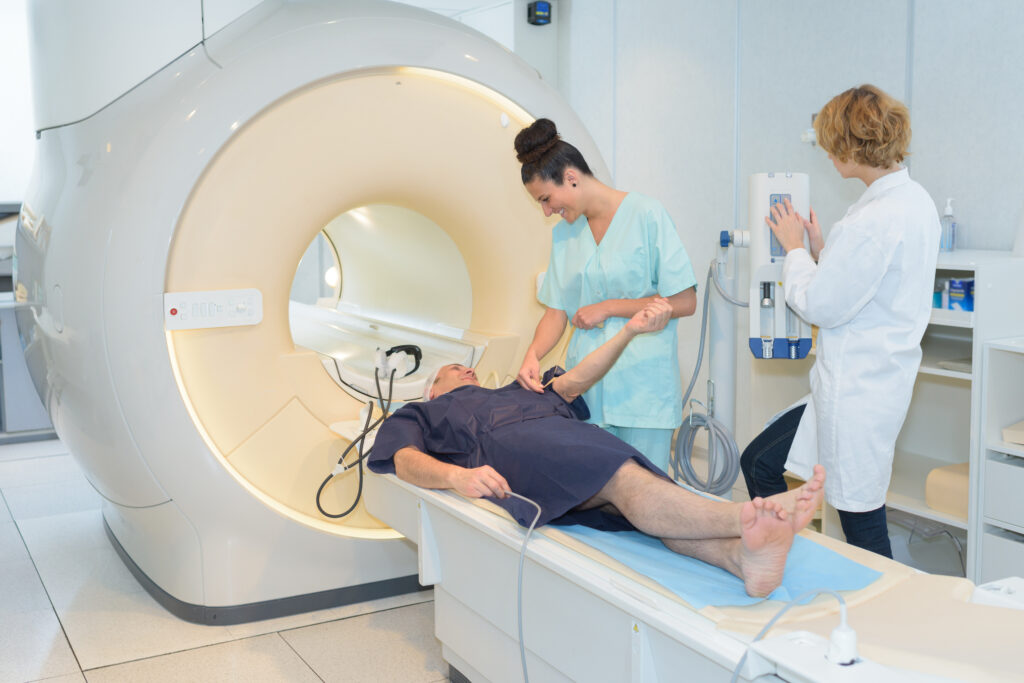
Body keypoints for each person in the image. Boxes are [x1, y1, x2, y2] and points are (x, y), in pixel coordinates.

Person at [369, 300, 826, 598]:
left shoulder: (513, 387)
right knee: (625, 479)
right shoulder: (426, 413)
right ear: (432, 390)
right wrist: (457, 477)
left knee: (638, 498)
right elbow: (404, 460)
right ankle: (752, 515)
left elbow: (575, 380)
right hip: (512, 447)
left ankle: (741, 558)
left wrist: (628, 331)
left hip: (558, 436)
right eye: (453, 369)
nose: (465, 371)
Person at [739, 84, 940, 558]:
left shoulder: (872, 220)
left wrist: (792, 249)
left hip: (857, 391)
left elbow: (820, 305)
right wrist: (820, 251)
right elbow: (867, 286)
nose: (827, 155)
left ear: (851, 144)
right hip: (867, 382)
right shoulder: (913, 202)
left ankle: (881, 620)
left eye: (830, 144)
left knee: (861, 521)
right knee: (761, 461)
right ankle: (780, 558)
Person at [513, 118, 698, 471]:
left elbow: (685, 301)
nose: (547, 210)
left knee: (648, 500)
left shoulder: (646, 215)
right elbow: (556, 311)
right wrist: (532, 356)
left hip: (643, 391)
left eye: (546, 199)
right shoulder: (564, 236)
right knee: (592, 501)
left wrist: (610, 308)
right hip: (585, 390)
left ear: (571, 177)